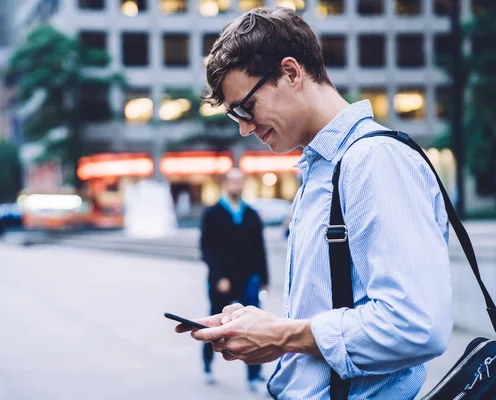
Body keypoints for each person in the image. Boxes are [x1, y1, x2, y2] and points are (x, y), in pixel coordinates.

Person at [175, 8, 452, 399]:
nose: (244, 127)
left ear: (291, 72)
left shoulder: (372, 161)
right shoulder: (323, 169)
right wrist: (268, 328)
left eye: (245, 107)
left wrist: (282, 334)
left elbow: (416, 325)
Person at [199, 168, 269, 393]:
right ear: (225, 184)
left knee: (253, 327)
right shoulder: (213, 213)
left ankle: (255, 375)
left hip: (249, 278)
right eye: (233, 181)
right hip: (222, 280)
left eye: (240, 181)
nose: (237, 185)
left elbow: (260, 247)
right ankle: (208, 365)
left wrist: (264, 278)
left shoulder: (251, 213)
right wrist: (219, 276)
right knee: (215, 326)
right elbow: (207, 248)